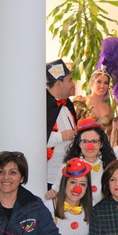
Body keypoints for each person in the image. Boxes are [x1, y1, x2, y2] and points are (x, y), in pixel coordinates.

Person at [46, 117, 116, 205]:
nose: (89, 146)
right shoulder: (68, 166)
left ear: (101, 144)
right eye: (85, 141)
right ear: (79, 143)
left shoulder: (109, 166)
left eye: (94, 141)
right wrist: (52, 194)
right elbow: (54, 192)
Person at [46, 58, 78, 188]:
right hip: (48, 178)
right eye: (70, 80)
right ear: (59, 83)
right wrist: (62, 136)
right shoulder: (43, 106)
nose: (73, 83)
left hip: (67, 175)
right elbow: (36, 138)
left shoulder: (68, 104)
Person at [72, 68, 114, 134]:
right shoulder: (81, 101)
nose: (102, 86)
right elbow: (72, 125)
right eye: (99, 82)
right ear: (91, 83)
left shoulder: (109, 108)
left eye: (106, 83)